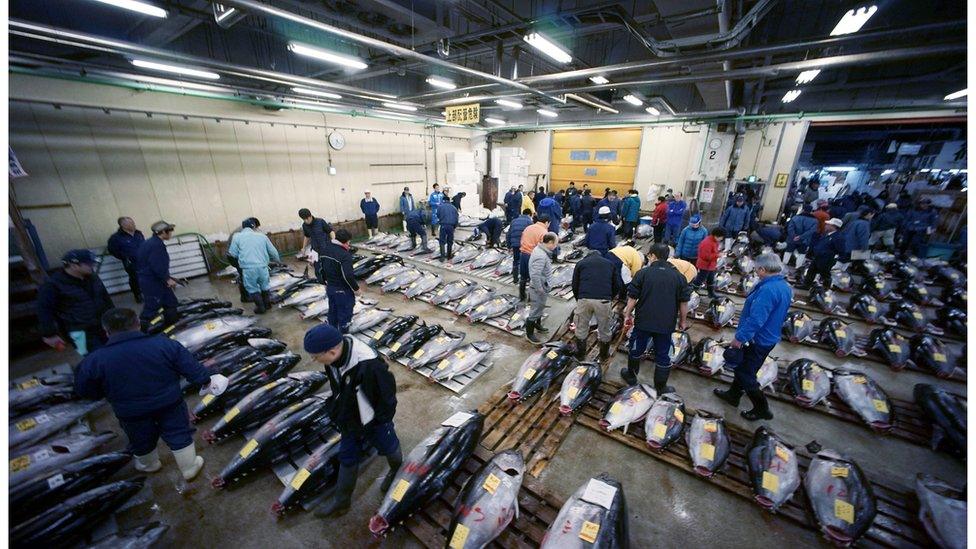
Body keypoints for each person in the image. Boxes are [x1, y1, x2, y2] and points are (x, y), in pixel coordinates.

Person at [74, 307, 227, 480]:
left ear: (106, 332)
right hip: (170, 404)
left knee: (140, 438)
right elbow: (193, 369)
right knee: (178, 433)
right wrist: (207, 381)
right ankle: (189, 467)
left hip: (130, 411)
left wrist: (107, 393)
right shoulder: (164, 344)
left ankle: (149, 464)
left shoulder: (94, 360)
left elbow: (85, 390)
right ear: (138, 324)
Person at [303, 323, 400, 518]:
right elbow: (337, 385)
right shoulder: (334, 358)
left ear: (331, 351)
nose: (314, 360)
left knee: (388, 445)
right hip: (351, 419)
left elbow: (387, 398)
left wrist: (381, 421)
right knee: (347, 456)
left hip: (375, 420)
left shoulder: (369, 364)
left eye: (315, 356)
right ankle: (342, 502)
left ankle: (396, 470)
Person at [713, 254, 792, 420]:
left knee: (746, 374)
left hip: (758, 339)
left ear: (763, 269)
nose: (755, 272)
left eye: (756, 269)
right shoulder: (783, 285)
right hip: (768, 337)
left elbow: (756, 320)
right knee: (744, 369)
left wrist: (740, 338)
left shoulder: (768, 290)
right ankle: (733, 395)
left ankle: (762, 409)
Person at [621, 244, 691, 392]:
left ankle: (631, 376)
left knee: (636, 348)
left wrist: (627, 314)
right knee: (663, 353)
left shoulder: (643, 273)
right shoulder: (679, 277)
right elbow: (684, 303)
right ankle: (660, 387)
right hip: (665, 324)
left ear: (652, 256)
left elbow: (632, 297)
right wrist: (683, 321)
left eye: (649, 256)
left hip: (643, 321)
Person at [37, 249, 114, 356]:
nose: (93, 265)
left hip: (101, 326)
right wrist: (49, 334)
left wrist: (115, 317)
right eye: (89, 263)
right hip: (78, 333)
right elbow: (44, 310)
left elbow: (105, 298)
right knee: (93, 357)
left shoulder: (93, 278)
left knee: (114, 352)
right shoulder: (52, 285)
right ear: (73, 265)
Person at [572, 248, 622, 360]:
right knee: (604, 328)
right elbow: (617, 284)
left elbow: (575, 284)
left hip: (584, 299)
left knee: (581, 327)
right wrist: (609, 297)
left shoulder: (581, 263)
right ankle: (604, 356)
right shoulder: (610, 264)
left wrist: (579, 298)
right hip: (603, 301)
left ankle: (580, 355)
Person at [228, 217, 280, 315]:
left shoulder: (237, 236)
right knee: (265, 286)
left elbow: (232, 253)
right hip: (263, 267)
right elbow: (274, 252)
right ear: (254, 226)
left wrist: (239, 264)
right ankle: (267, 304)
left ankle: (260, 307)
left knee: (252, 288)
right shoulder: (262, 236)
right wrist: (278, 261)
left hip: (248, 269)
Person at [136, 221, 180, 333]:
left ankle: (171, 328)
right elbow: (157, 265)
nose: (171, 233)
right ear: (163, 232)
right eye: (170, 231)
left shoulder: (149, 243)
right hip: (153, 282)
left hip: (154, 280)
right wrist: (167, 279)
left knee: (170, 303)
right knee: (151, 307)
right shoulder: (156, 245)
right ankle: (140, 331)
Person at [320, 229, 361, 333]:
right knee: (345, 313)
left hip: (330, 287)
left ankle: (332, 332)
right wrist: (356, 288)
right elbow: (348, 275)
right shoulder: (344, 255)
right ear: (346, 242)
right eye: (349, 242)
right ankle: (342, 337)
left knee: (333, 311)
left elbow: (320, 268)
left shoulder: (325, 248)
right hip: (342, 290)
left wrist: (324, 281)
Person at [526, 232, 558, 343]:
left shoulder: (542, 251)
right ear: (549, 242)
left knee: (540, 307)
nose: (556, 246)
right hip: (538, 289)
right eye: (555, 244)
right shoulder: (540, 255)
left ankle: (537, 325)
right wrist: (539, 289)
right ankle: (529, 334)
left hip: (542, 287)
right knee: (535, 310)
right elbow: (535, 275)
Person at [106, 217, 145, 303]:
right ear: (123, 225)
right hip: (131, 263)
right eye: (130, 223)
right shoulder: (116, 238)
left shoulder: (139, 234)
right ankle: (138, 295)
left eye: (133, 222)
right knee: (135, 278)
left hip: (143, 260)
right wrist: (124, 257)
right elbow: (112, 250)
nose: (133, 224)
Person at [802, 218, 846, 288]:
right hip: (818, 257)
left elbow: (840, 250)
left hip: (826, 260)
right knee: (811, 271)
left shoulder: (838, 237)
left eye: (828, 224)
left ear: (834, 226)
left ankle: (826, 288)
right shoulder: (827, 234)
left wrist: (833, 257)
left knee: (825, 275)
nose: (826, 225)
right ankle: (806, 285)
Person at [519, 215, 550, 302]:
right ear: (546, 222)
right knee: (534, 279)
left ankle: (521, 296)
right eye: (549, 224)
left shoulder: (528, 227)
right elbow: (544, 247)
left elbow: (522, 239)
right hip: (533, 257)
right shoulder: (544, 232)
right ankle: (531, 300)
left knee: (523, 277)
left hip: (523, 254)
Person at [299, 208, 334, 284]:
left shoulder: (320, 221)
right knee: (317, 269)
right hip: (315, 250)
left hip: (326, 249)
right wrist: (304, 247)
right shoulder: (304, 225)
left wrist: (334, 241)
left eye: (307, 219)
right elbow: (307, 236)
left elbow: (330, 231)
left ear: (310, 216)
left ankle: (331, 282)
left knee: (328, 267)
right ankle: (322, 284)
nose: (306, 221)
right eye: (304, 219)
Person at [693, 227, 726, 298]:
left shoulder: (714, 241)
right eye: (721, 237)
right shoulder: (707, 243)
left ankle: (711, 293)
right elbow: (705, 256)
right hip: (705, 265)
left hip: (711, 265)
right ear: (716, 235)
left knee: (711, 279)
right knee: (699, 280)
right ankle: (692, 292)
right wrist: (717, 255)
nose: (722, 239)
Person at [508, 209, 533, 285]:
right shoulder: (529, 222)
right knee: (526, 262)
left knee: (516, 261)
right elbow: (532, 234)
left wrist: (509, 245)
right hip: (524, 244)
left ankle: (515, 279)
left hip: (515, 244)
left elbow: (508, 233)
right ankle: (526, 278)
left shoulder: (514, 221)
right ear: (529, 215)